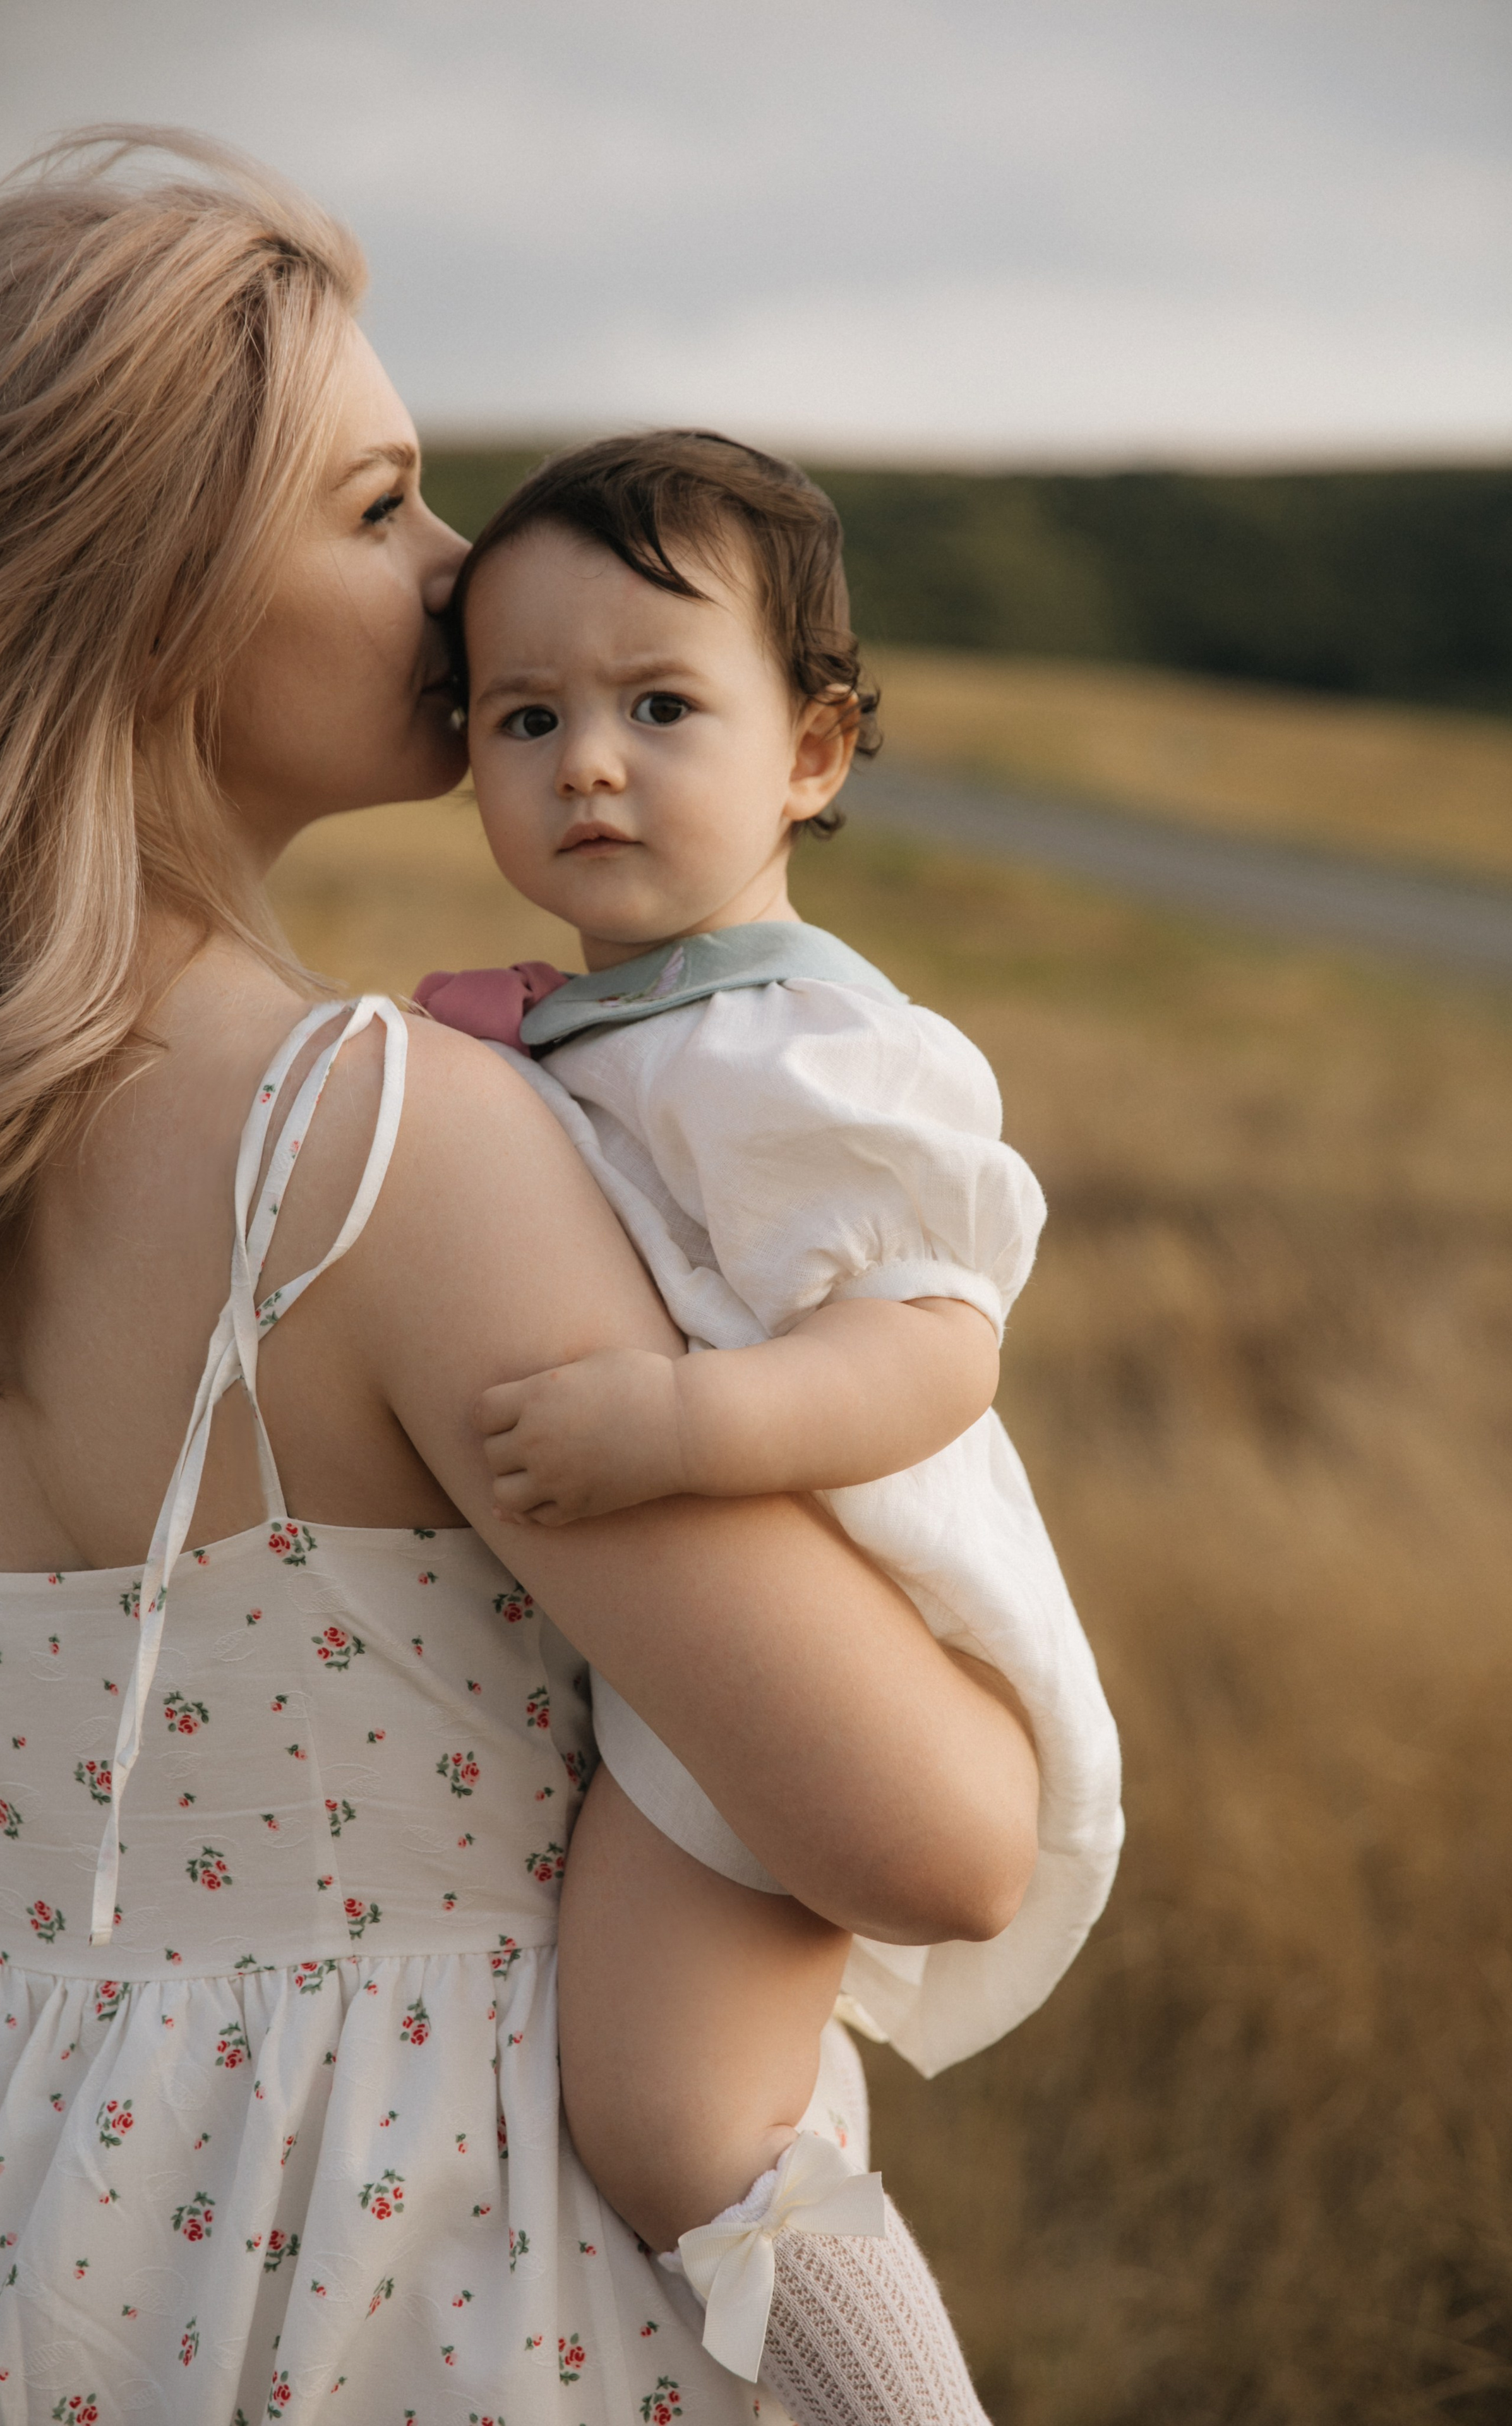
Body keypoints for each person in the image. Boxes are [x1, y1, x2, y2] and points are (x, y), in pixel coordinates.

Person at [0, 133, 1040, 2426]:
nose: (453, 579)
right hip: (414, 2261)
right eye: (377, 504)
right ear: (146, 594)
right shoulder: (366, 1138)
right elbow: (939, 1833)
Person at [414, 431, 1124, 2377]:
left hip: (826, 1608)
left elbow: (938, 1336)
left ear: (811, 753)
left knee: (673, 2119)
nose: (589, 761)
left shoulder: (805, 1043)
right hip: (695, 1635)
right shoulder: (638, 1020)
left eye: (661, 703)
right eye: (524, 714)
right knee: (695, 2100)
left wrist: (682, 1430)